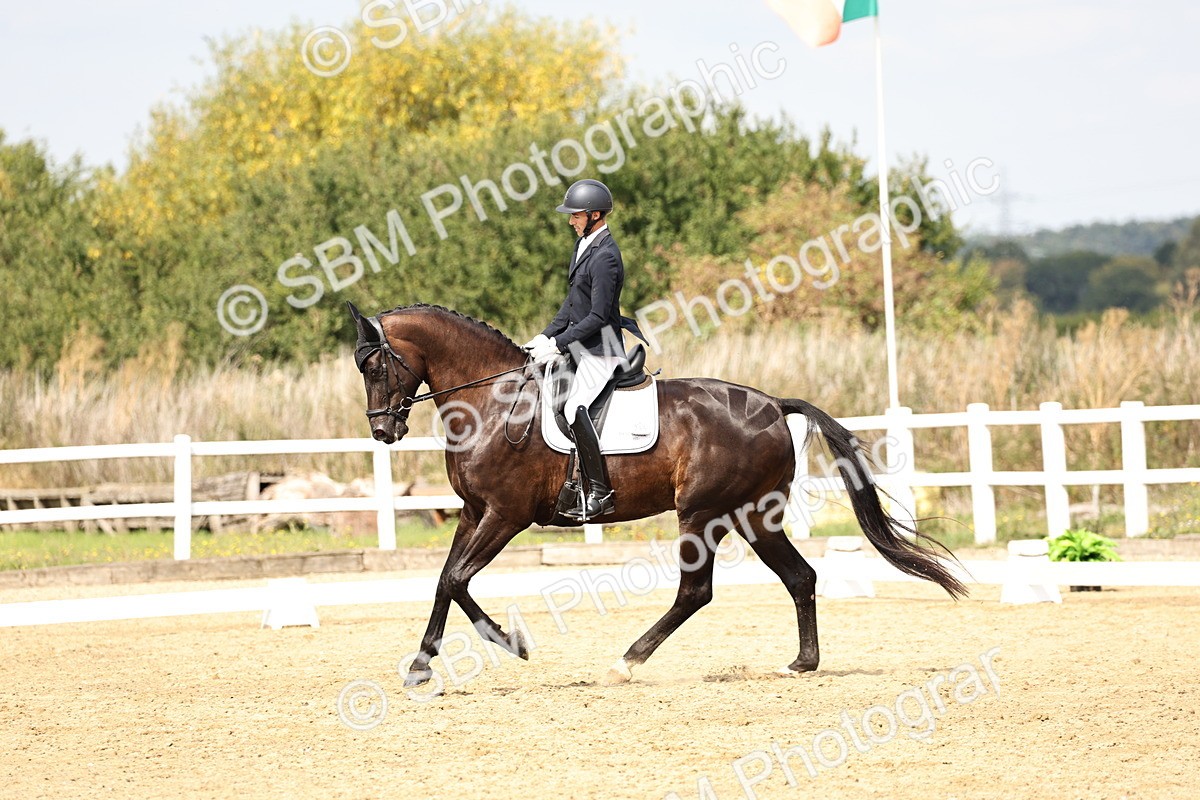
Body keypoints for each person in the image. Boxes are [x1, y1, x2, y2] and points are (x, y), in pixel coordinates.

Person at [523, 178, 642, 520]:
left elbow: (598, 316)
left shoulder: (606, 256)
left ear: (594, 215)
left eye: (575, 215)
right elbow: (571, 304)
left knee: (575, 407)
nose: (570, 221)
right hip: (580, 348)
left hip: (601, 350)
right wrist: (544, 337)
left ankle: (600, 493)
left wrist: (559, 344)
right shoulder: (584, 246)